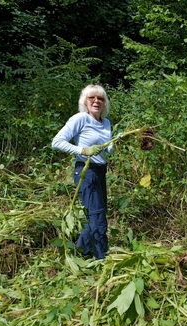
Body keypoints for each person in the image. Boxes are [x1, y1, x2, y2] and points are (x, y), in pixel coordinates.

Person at [52, 84, 114, 260]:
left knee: (93, 214)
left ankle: (81, 252)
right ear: (85, 102)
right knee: (97, 215)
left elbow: (107, 148)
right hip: (86, 172)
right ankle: (102, 258)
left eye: (100, 98)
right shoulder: (80, 119)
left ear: (105, 102)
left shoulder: (106, 122)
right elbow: (56, 142)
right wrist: (84, 151)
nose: (96, 101)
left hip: (100, 171)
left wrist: (115, 143)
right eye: (91, 98)